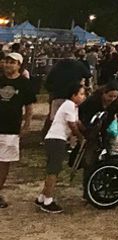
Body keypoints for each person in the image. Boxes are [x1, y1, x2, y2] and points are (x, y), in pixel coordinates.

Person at [37, 83, 85, 214]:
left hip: (58, 139)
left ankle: (42, 197)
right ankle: (48, 200)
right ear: (73, 95)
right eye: (81, 94)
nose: (83, 97)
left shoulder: (74, 108)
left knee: (53, 169)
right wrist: (81, 138)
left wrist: (86, 130)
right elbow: (72, 125)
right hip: (56, 139)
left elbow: (78, 122)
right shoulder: (69, 104)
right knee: (54, 169)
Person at [0, 52, 36, 209]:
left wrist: (27, 125)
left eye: (12, 62)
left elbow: (29, 106)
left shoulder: (24, 83)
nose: (8, 65)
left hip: (11, 128)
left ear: (19, 65)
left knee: (4, 162)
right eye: (7, 62)